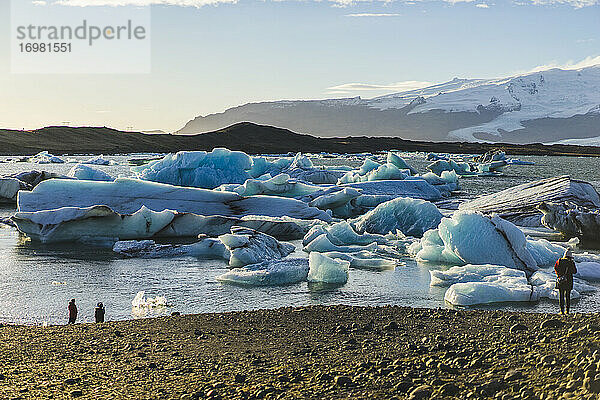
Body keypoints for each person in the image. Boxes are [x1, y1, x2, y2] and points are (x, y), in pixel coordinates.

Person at [554, 249, 577, 315]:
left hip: (561, 280)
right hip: (569, 281)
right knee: (567, 296)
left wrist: (559, 275)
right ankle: (567, 311)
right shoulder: (571, 262)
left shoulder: (560, 261)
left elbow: (555, 268)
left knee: (561, 296)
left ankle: (562, 311)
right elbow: (575, 271)